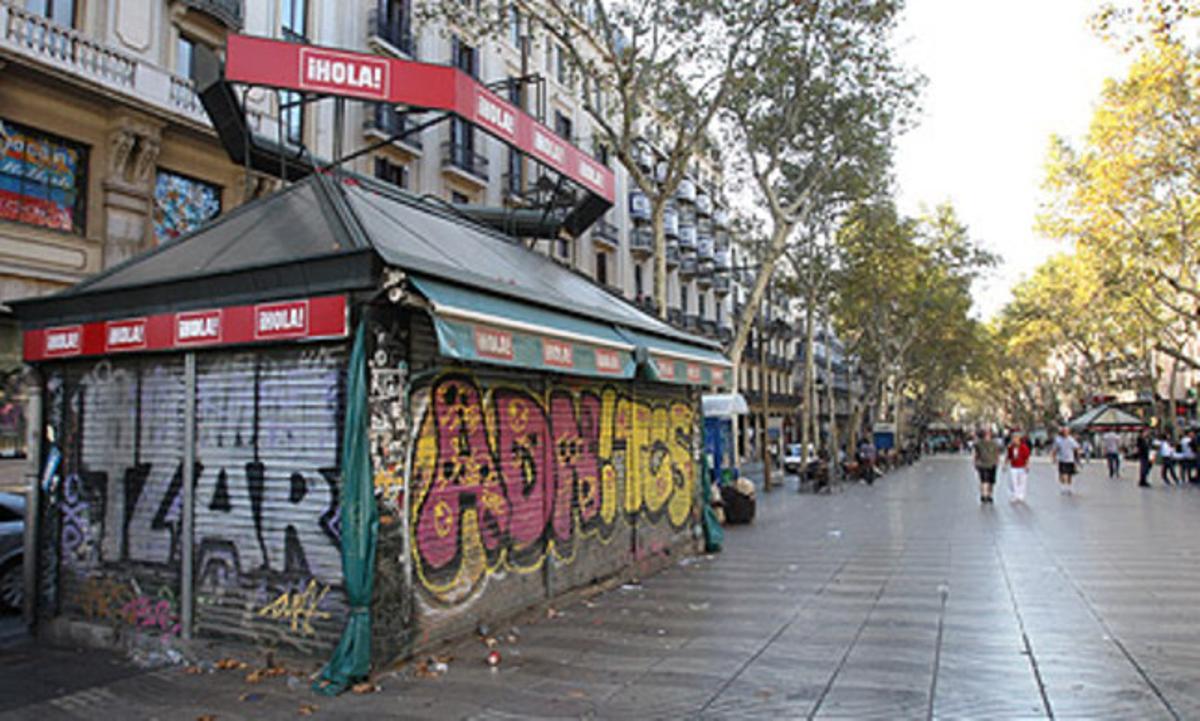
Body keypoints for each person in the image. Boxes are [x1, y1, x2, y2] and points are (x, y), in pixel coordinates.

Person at [1052, 426, 1081, 494]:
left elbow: (1076, 448)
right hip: (1062, 459)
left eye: (1067, 431)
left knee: (1069, 474)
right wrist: (1054, 458)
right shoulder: (1058, 440)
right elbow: (1055, 449)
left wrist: (1078, 457)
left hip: (1070, 459)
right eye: (1064, 431)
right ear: (1062, 432)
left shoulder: (1071, 440)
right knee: (1063, 474)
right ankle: (1063, 487)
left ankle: (1070, 488)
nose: (1066, 433)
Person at [1006, 429, 1032, 503]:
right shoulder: (1011, 447)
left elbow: (1027, 457)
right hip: (1013, 467)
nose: (1014, 440)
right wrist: (1005, 464)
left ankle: (1021, 495)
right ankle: (1014, 495)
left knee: (1022, 481)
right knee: (1013, 481)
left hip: (1022, 467)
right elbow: (1009, 456)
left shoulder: (1024, 447)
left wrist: (1027, 466)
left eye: (1016, 438)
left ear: (1019, 439)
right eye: (1013, 438)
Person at [974, 428, 999, 503]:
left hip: (992, 464)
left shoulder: (994, 444)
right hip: (982, 464)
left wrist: (997, 461)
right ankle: (984, 495)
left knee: (991, 482)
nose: (987, 436)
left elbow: (997, 453)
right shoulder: (979, 444)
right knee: (984, 481)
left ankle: (989, 495)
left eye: (988, 434)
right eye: (986, 434)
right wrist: (975, 462)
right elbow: (975, 453)